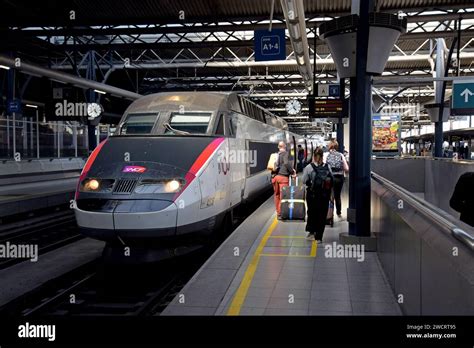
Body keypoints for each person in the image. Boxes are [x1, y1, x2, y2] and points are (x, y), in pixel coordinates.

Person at [302, 147, 334, 242]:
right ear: (322, 156)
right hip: (324, 195)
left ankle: (312, 232)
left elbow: (304, 180)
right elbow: (331, 181)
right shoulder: (327, 167)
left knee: (312, 213)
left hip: (312, 195)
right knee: (322, 214)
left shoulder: (309, 167)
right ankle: (319, 237)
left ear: (314, 156)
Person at [272, 141, 296, 219]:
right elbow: (286, 163)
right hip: (283, 178)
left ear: (278, 147)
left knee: (277, 195)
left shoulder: (276, 154)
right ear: (285, 146)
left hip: (275, 177)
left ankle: (278, 213)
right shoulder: (286, 153)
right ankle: (282, 213)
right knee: (283, 196)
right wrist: (292, 172)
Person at [326, 140, 349, 217]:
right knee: (337, 195)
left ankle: (328, 212)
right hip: (339, 178)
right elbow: (346, 168)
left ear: (329, 147)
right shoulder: (341, 155)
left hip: (329, 178)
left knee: (328, 195)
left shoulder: (326, 155)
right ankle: (338, 212)